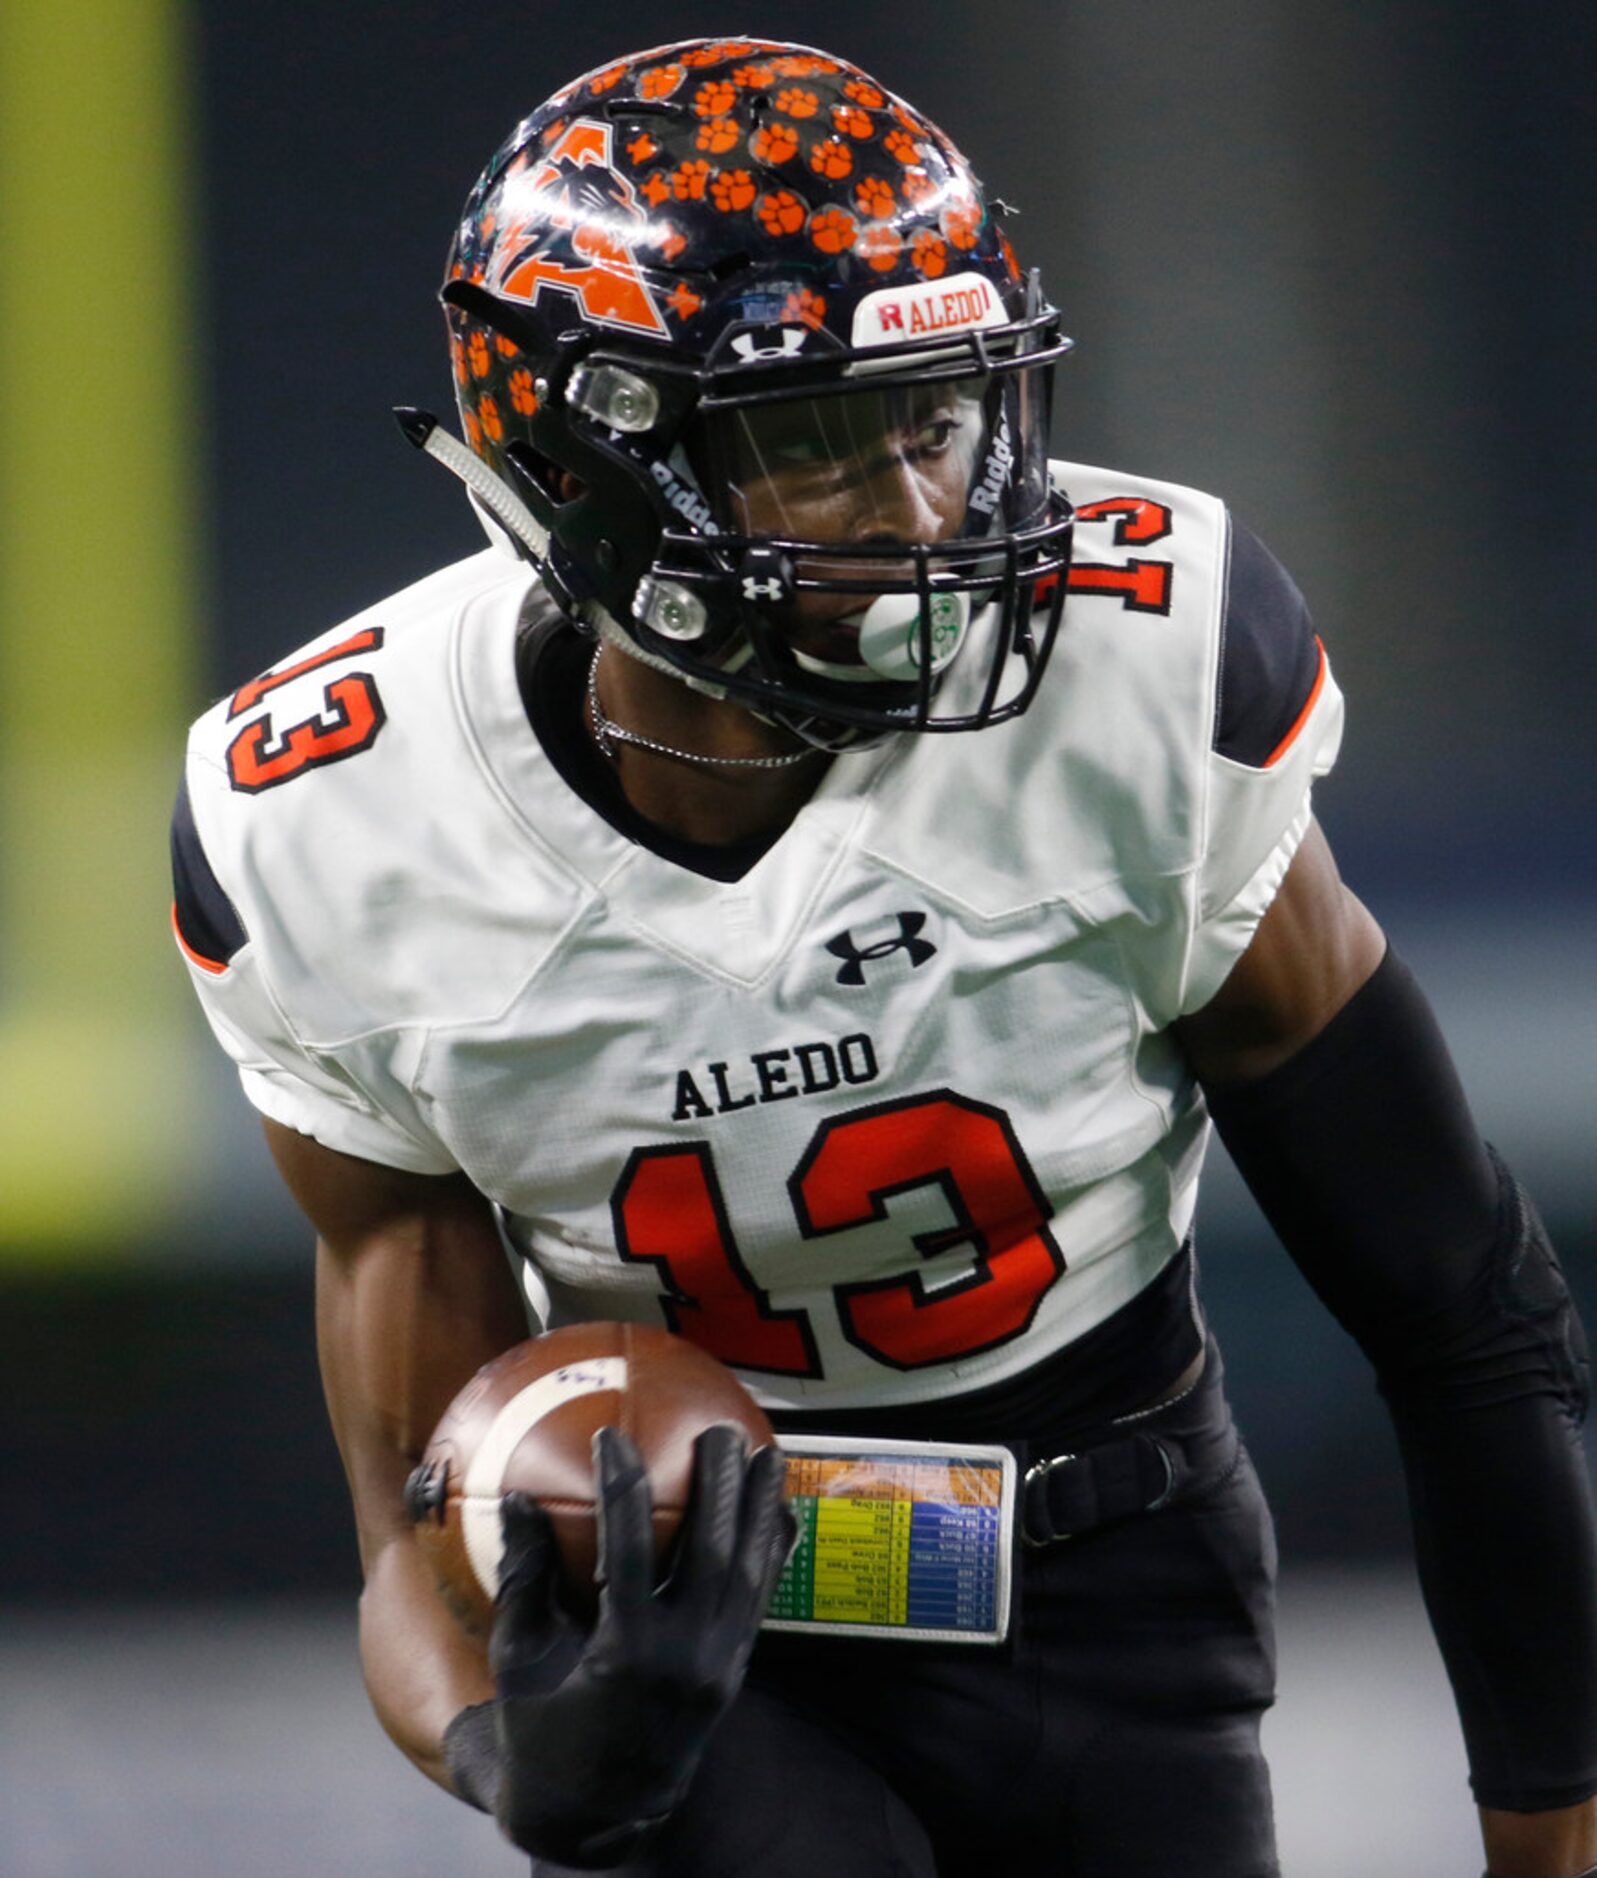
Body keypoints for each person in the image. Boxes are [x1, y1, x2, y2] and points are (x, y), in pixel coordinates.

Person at [171, 36, 1597, 1878]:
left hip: (1123, 1572)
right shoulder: (339, 825)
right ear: (580, 461)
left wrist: (1547, 1847)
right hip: (695, 1609)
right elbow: (411, 1533)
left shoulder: (1132, 677)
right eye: (807, 447)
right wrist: (516, 1752)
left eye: (930, 418)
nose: (921, 518)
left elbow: (1467, 1315)